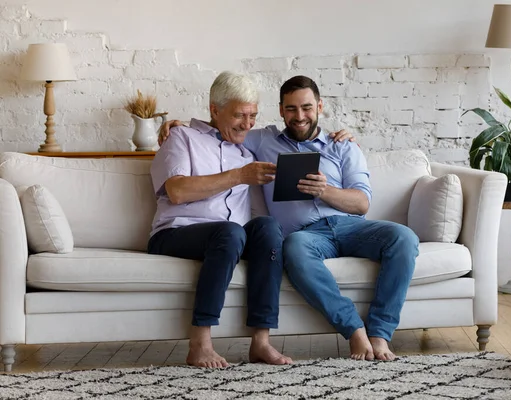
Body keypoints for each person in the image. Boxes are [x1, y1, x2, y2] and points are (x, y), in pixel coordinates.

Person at [160, 75, 418, 362]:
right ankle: (355, 330)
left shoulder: (343, 145)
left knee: (403, 237)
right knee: (291, 248)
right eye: (292, 109)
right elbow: (224, 127)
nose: (300, 116)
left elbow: (361, 204)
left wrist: (326, 191)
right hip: (305, 236)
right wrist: (179, 123)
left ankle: (380, 335)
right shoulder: (259, 139)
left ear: (320, 107)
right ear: (281, 110)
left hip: (350, 226)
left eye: (307, 108)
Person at [148, 71, 290, 368]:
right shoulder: (182, 137)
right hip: (176, 234)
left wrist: (340, 137)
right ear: (214, 109)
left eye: (253, 116)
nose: (248, 124)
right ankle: (200, 344)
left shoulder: (245, 151)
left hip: (229, 238)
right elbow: (177, 190)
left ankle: (261, 342)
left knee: (266, 228)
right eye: (240, 115)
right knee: (230, 233)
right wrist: (238, 176)